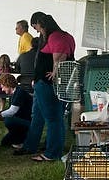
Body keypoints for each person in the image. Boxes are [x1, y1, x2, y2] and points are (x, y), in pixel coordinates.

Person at [15, 11, 75, 162]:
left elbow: (59, 55)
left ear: (41, 24)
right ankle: (31, 145)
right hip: (43, 82)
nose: (36, 30)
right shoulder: (59, 35)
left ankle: (52, 152)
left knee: (53, 118)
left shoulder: (55, 36)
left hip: (48, 84)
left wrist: (55, 71)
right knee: (39, 115)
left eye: (36, 26)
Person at [0, 73, 33, 147]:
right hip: (21, 120)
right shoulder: (14, 93)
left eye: (3, 87)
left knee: (8, 120)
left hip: (28, 121)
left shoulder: (19, 92)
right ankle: (19, 139)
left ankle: (22, 139)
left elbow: (12, 111)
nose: (2, 89)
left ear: (8, 84)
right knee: (4, 143)